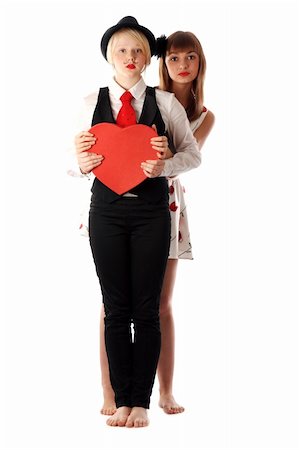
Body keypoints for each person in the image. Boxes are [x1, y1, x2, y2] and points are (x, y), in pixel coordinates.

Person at [72, 16, 201, 428]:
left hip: (150, 213)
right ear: (109, 56)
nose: (130, 57)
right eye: (122, 50)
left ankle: (140, 402)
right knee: (114, 308)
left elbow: (192, 155)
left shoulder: (164, 104)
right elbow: (73, 161)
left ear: (148, 59)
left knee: (145, 309)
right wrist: (80, 164)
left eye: (138, 51)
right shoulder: (92, 99)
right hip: (105, 211)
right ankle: (119, 397)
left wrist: (164, 165)